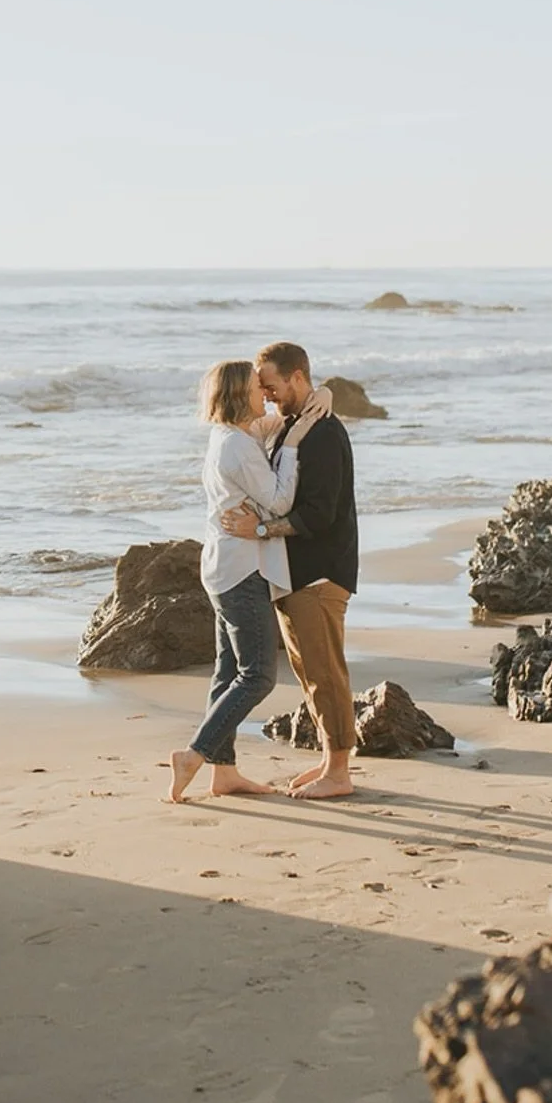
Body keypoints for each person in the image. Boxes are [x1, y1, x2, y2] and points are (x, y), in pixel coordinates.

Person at [167, 359, 331, 803]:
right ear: (241, 396)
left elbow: (277, 421)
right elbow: (279, 501)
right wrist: (295, 442)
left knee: (226, 674)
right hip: (241, 570)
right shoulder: (237, 448)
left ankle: (224, 773)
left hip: (223, 566)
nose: (267, 395)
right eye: (259, 389)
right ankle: (195, 754)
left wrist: (324, 396)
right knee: (257, 675)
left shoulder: (232, 436)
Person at [222, 341, 359, 801]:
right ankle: (328, 761)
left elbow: (319, 514)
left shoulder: (322, 434)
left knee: (326, 672)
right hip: (295, 573)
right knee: (309, 674)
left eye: (273, 385)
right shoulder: (291, 426)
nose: (268, 394)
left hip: (321, 573)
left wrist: (259, 528)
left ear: (297, 377)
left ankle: (340, 772)